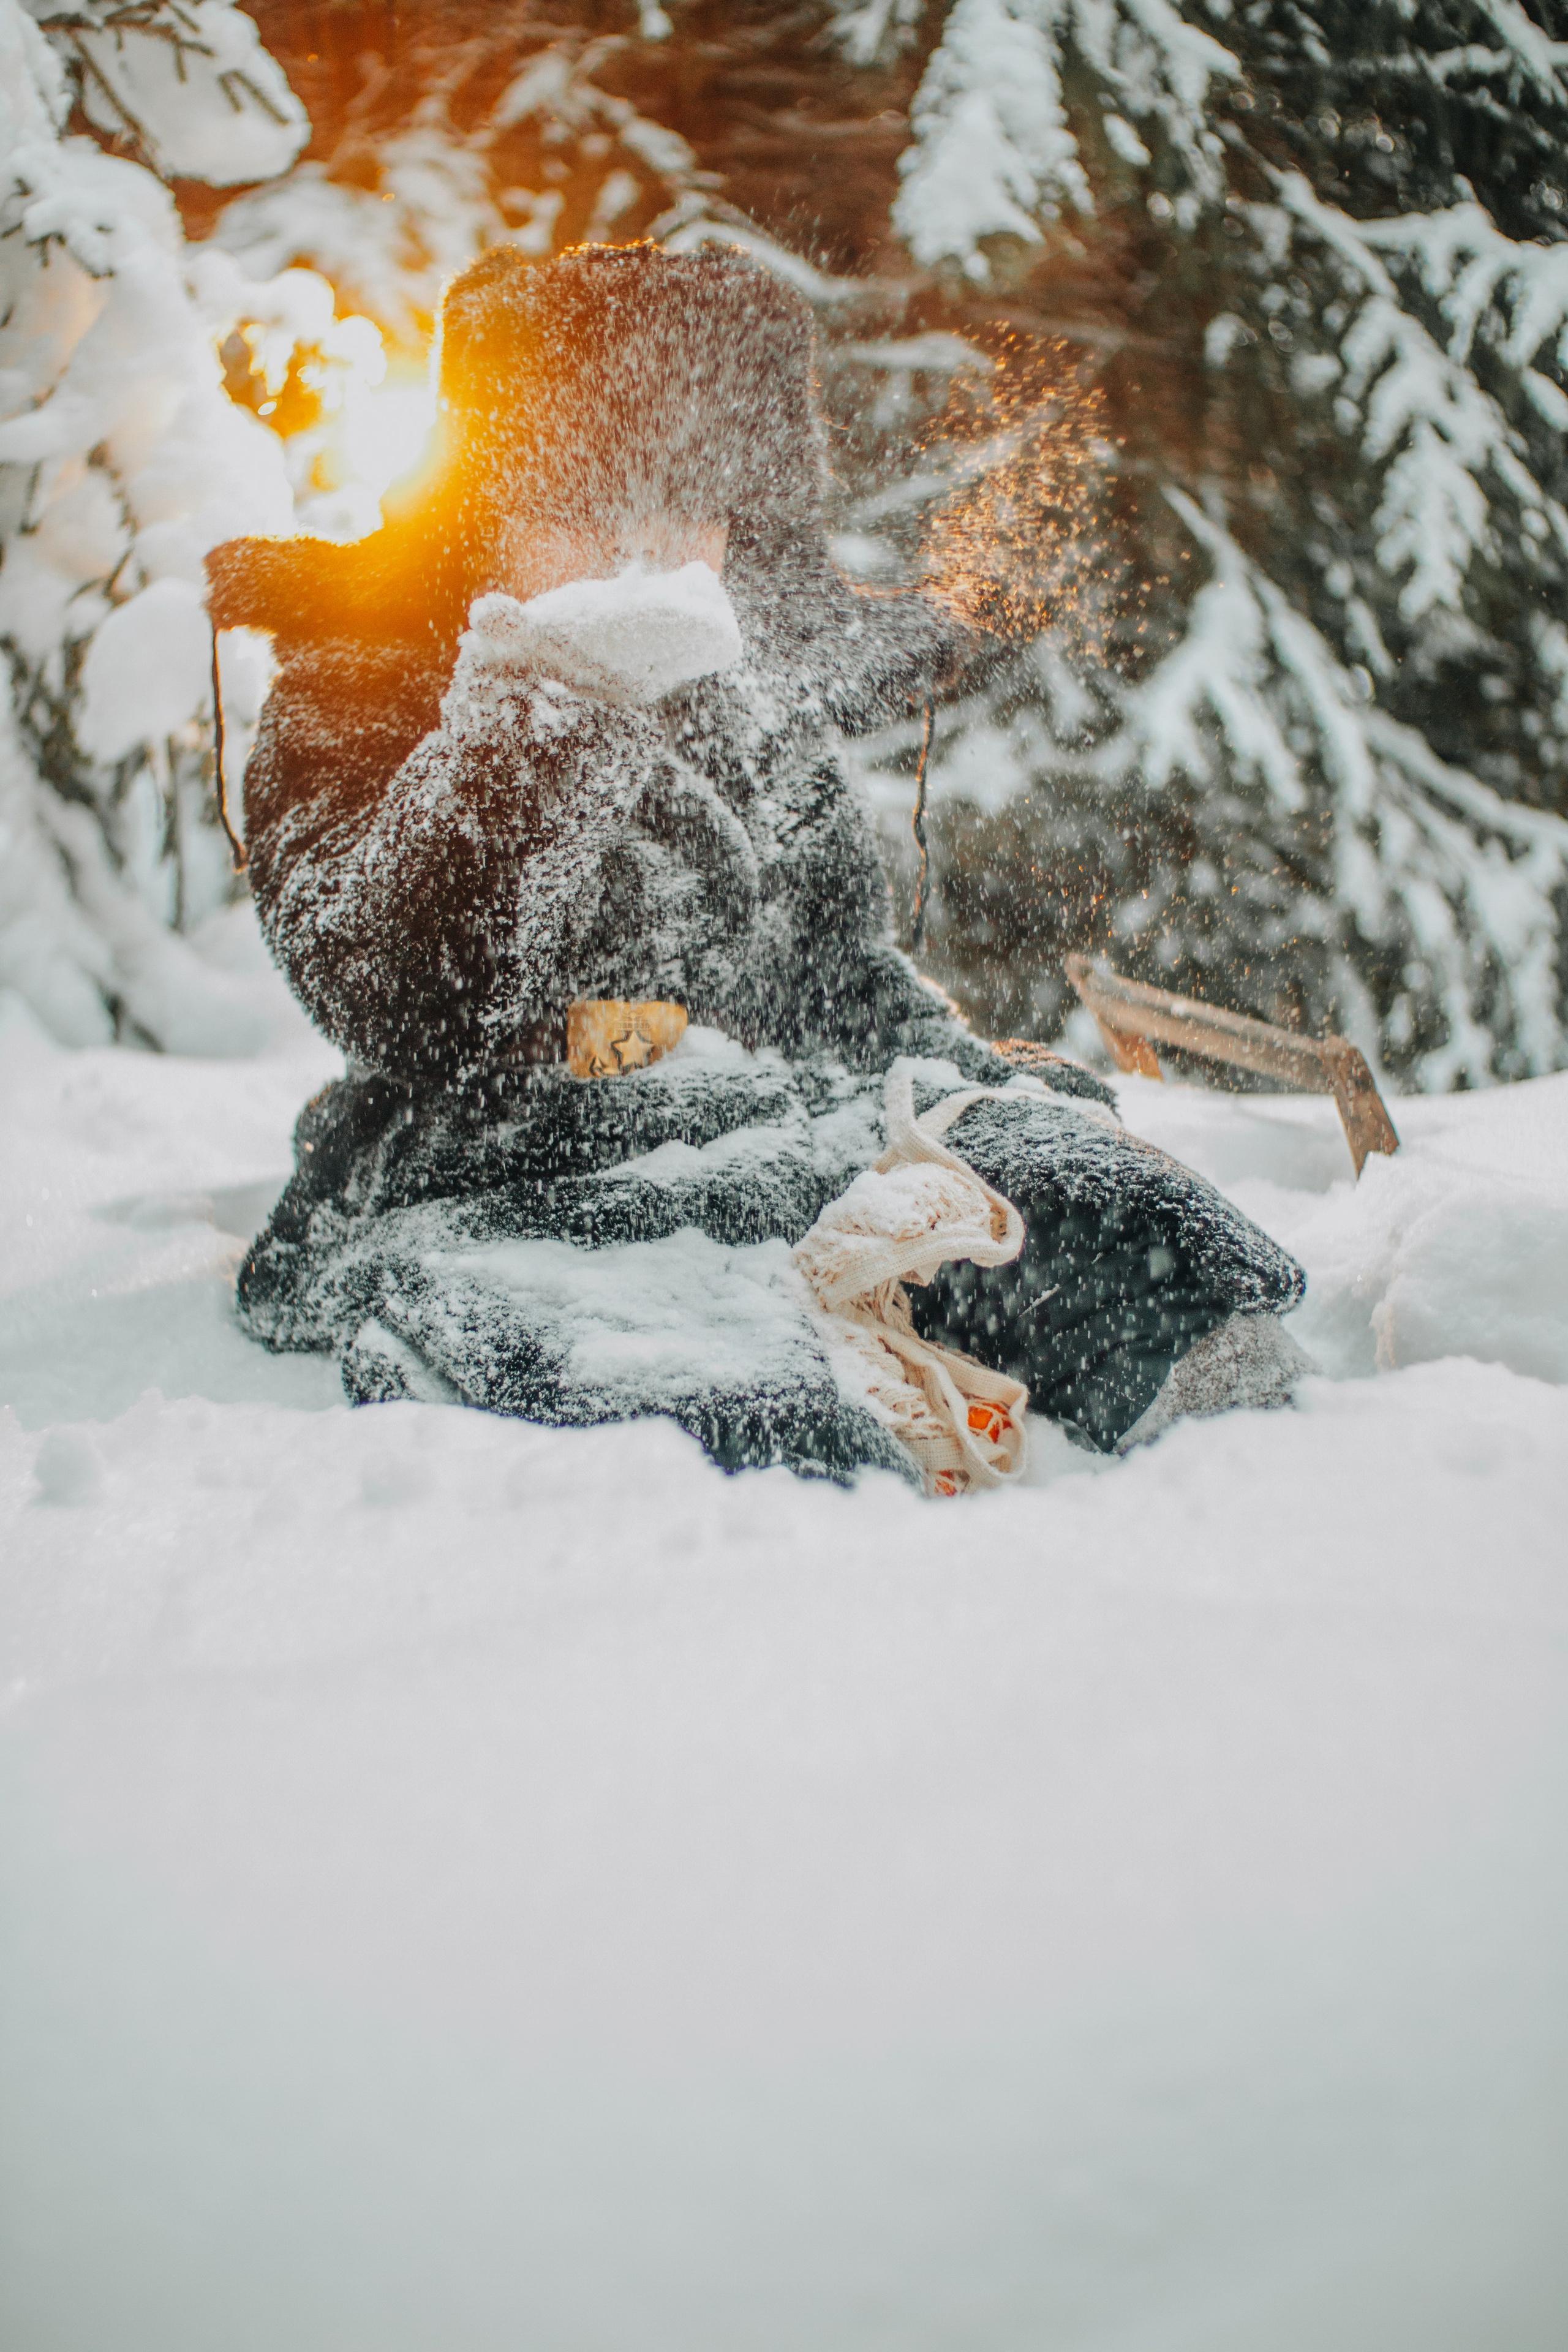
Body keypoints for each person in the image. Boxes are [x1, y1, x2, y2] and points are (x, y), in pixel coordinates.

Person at [208, 239, 1308, 1485]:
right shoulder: (355, 690)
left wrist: (963, 1090)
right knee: (707, 1380)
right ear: (486, 514)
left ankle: (1217, 1433)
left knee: (1074, 1195)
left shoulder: (743, 696)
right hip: (506, 1164)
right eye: (580, 513)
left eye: (682, 511)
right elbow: (396, 996)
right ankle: (770, 1522)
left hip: (777, 1133)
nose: (637, 554)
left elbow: (834, 974)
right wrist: (540, 718)